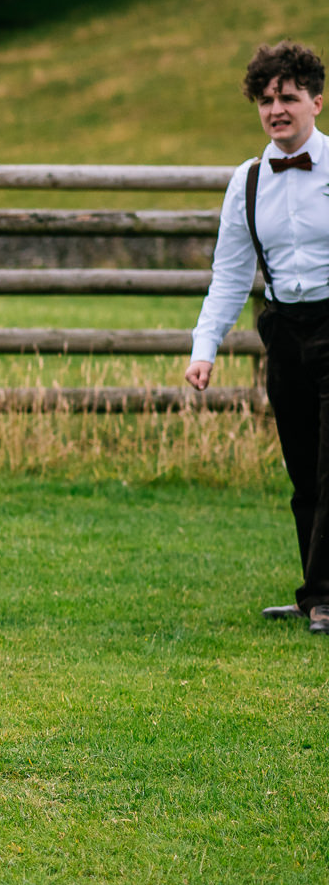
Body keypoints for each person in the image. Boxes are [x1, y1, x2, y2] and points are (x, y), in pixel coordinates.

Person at [187, 40, 329, 632]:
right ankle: (316, 594)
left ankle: (322, 596)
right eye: (266, 100)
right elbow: (230, 271)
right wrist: (204, 346)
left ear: (316, 102)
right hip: (283, 332)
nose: (276, 109)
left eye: (289, 98)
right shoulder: (246, 182)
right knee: (303, 470)